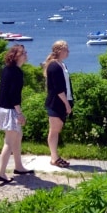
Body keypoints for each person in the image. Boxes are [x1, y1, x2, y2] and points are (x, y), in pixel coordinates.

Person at [0, 44, 33, 184]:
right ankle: (1, 173)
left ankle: (18, 166)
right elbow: (14, 95)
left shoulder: (7, 69)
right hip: (10, 109)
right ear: (16, 56)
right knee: (9, 141)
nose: (25, 55)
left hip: (2, 107)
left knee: (18, 136)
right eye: (23, 53)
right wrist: (20, 113)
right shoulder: (17, 72)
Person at [43, 40, 74, 168]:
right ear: (60, 51)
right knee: (54, 130)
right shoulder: (54, 66)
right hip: (57, 103)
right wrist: (66, 104)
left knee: (57, 129)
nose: (68, 52)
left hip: (63, 101)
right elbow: (58, 88)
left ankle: (55, 156)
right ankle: (54, 158)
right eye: (66, 49)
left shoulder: (62, 65)